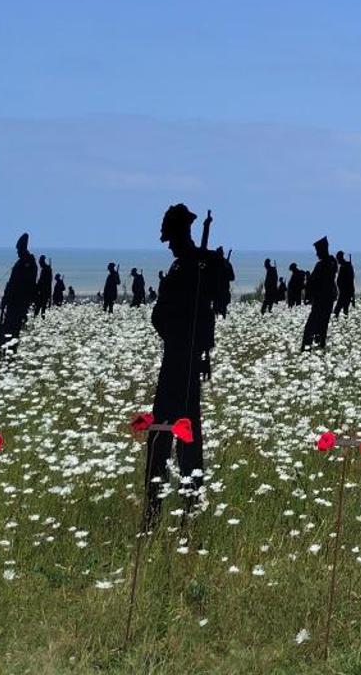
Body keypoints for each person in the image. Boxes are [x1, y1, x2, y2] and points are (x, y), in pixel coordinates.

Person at [142, 203, 230, 529]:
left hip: (178, 361)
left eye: (171, 238)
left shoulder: (187, 269)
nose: (170, 245)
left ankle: (156, 510)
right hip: (190, 361)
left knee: (164, 434)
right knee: (187, 434)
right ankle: (188, 509)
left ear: (182, 235)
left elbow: (163, 317)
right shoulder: (201, 266)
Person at [0, 234, 38, 356]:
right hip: (12, 302)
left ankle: (9, 354)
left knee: (13, 331)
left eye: (19, 250)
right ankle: (2, 353)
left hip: (18, 303)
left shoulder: (28, 264)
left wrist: (23, 304)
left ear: (24, 249)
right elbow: (11, 283)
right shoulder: (21, 263)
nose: (17, 253)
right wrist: (6, 299)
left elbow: (26, 286)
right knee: (6, 329)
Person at [302, 237, 337, 351]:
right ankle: (320, 345)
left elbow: (312, 283)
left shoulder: (321, 265)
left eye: (318, 251)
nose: (317, 253)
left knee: (311, 325)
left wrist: (307, 279)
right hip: (329, 298)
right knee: (323, 324)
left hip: (320, 299)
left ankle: (306, 347)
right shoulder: (332, 263)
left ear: (323, 250)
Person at [334, 250, 355, 318]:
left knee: (340, 309)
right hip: (343, 291)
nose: (337, 261)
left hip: (346, 291)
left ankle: (342, 322)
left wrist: (351, 291)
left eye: (338, 259)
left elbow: (350, 279)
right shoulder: (343, 266)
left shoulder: (346, 266)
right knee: (341, 309)